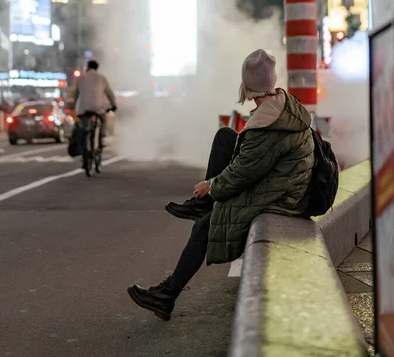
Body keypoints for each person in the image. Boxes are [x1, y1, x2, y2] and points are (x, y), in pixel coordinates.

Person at [127, 49, 315, 321]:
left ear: (249, 84)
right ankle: (203, 206)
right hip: (280, 184)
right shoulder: (279, 106)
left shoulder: (269, 124)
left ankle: (166, 295)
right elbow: (250, 162)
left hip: (281, 197)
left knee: (206, 225)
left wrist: (211, 185)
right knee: (226, 136)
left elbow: (243, 173)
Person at [74, 60, 117, 147]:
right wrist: (113, 105)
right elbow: (110, 94)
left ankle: (84, 140)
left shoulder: (81, 78)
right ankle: (101, 137)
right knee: (103, 120)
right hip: (98, 107)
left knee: (84, 125)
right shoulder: (102, 78)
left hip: (83, 108)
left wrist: (76, 106)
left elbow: (76, 95)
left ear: (88, 67)